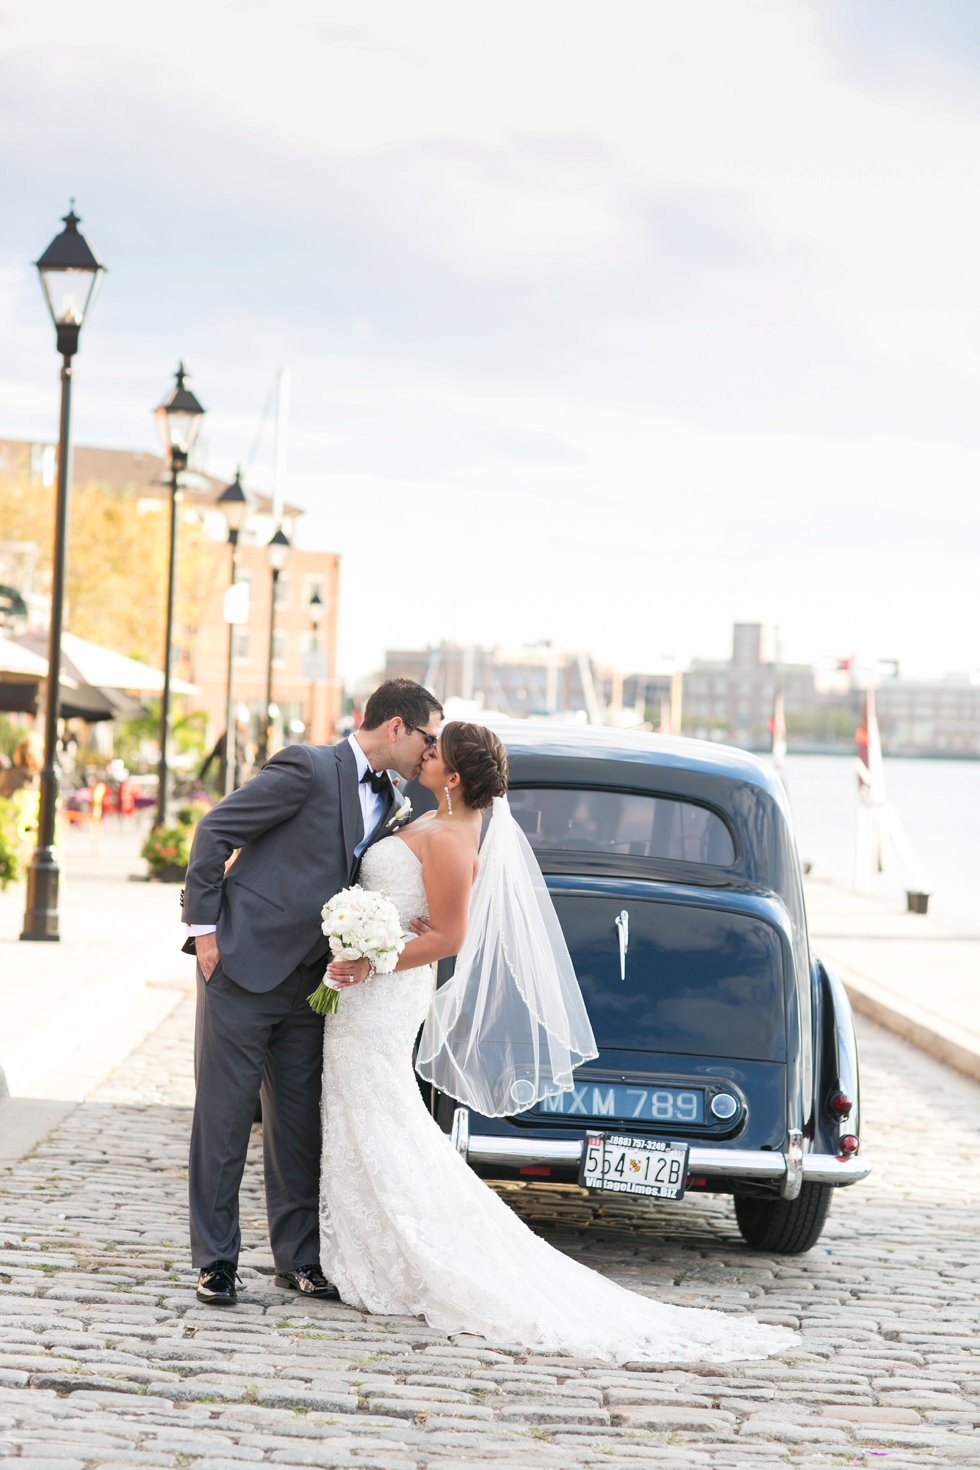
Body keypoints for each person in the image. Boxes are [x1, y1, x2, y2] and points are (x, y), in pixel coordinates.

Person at [320, 721, 795, 1363]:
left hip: (385, 987)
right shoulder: (431, 820)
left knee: (385, 1110)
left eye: (436, 752)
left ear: (454, 777)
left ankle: (408, 1253)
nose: (424, 753)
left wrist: (370, 955)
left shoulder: (458, 841)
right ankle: (361, 1241)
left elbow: (452, 937)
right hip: (374, 983)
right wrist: (373, 938)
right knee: (361, 1108)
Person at [180, 678, 443, 1307]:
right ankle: (216, 1261)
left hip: (314, 982)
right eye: (430, 737)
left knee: (297, 1125)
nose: (433, 751)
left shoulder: (395, 798)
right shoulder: (307, 766)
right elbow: (215, 831)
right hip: (242, 967)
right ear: (397, 728)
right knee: (224, 1117)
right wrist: (206, 935)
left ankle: (297, 1259)